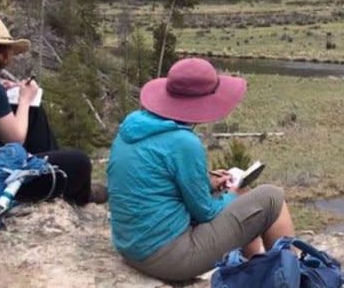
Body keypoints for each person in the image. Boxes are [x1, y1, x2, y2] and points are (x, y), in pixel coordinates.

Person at [107, 57, 295, 282]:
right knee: (271, 197)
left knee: (236, 203)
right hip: (167, 257)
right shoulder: (183, 142)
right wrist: (234, 195)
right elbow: (205, 212)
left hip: (131, 247)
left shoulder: (134, 126)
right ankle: (294, 277)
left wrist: (209, 183)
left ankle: (258, 273)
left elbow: (156, 182)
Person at [0, 13, 106, 205]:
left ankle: (53, 174)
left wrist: (0, 86)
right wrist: (24, 99)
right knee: (80, 162)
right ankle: (75, 194)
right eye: (8, 50)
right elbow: (15, 139)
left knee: (34, 114)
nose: (11, 56)